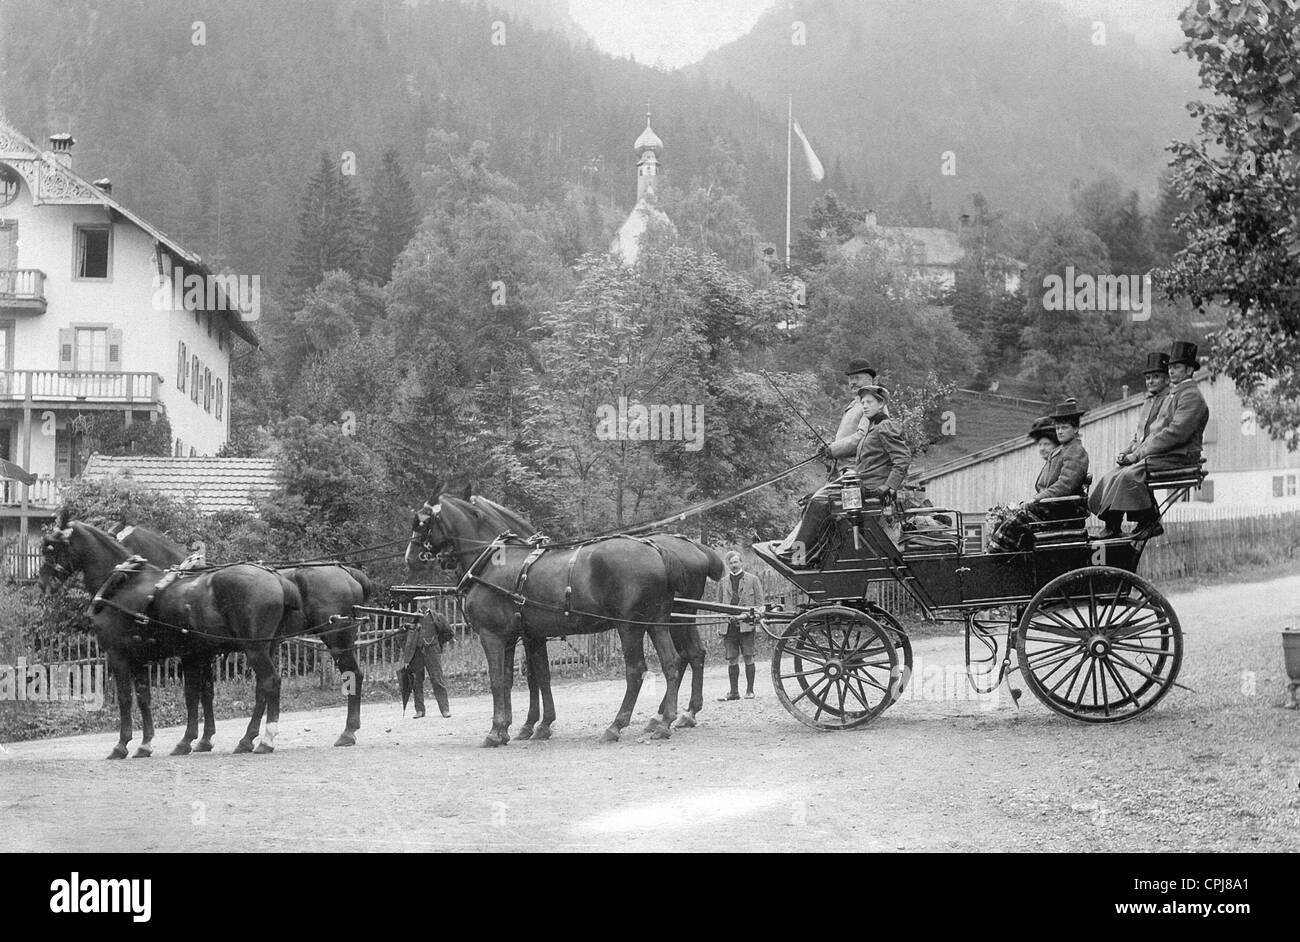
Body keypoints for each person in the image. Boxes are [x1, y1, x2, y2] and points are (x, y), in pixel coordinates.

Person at [779, 384, 911, 567]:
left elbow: (903, 459)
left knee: (818, 501)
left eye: (870, 402)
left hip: (870, 486)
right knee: (813, 500)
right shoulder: (873, 427)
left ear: (881, 404)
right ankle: (809, 551)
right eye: (863, 402)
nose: (864, 406)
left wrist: (889, 486)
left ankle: (797, 556)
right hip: (859, 481)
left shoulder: (885, 426)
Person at [1089, 341, 1209, 540]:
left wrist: (1139, 454)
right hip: (1168, 453)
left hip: (1181, 455)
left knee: (1129, 475)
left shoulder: (1191, 396)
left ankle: (1149, 521)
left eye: (1176, 367)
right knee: (1116, 474)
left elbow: (1175, 433)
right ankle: (1113, 525)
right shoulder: (1176, 394)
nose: (1171, 371)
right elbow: (1155, 432)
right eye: (1170, 367)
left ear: (1189, 370)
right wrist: (1133, 453)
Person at [988, 402, 1090, 552]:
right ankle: (1003, 559)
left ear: (1075, 429)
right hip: (1053, 507)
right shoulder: (1063, 450)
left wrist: (1038, 498)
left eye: (1064, 427)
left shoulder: (1076, 451)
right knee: (1006, 517)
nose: (1060, 431)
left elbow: (1065, 485)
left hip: (1062, 510)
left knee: (1015, 522)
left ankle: (995, 559)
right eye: (1057, 428)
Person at [709, 551, 765, 700]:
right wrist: (719, 626)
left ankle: (750, 691)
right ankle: (734, 692)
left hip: (747, 625)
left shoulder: (753, 580)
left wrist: (756, 621)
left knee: (748, 656)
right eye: (731, 563)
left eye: (736, 562)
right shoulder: (723, 582)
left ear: (741, 563)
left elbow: (760, 605)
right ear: (728, 565)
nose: (734, 565)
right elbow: (720, 606)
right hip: (729, 626)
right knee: (732, 658)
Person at [402, 601, 454, 718]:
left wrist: (437, 643)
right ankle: (420, 710)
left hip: (432, 652)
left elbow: (449, 633)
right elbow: (403, 636)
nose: (423, 604)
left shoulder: (438, 617)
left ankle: (445, 709)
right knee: (416, 681)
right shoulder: (412, 618)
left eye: (426, 601)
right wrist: (408, 653)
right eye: (421, 601)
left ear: (431, 602)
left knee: (437, 679)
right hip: (417, 653)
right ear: (418, 603)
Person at [829, 358, 879, 472]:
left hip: (859, 470)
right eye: (851, 379)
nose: (853, 382)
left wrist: (833, 449)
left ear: (869, 379)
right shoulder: (854, 405)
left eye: (857, 378)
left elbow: (863, 436)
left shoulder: (874, 403)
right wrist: (830, 447)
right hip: (845, 470)